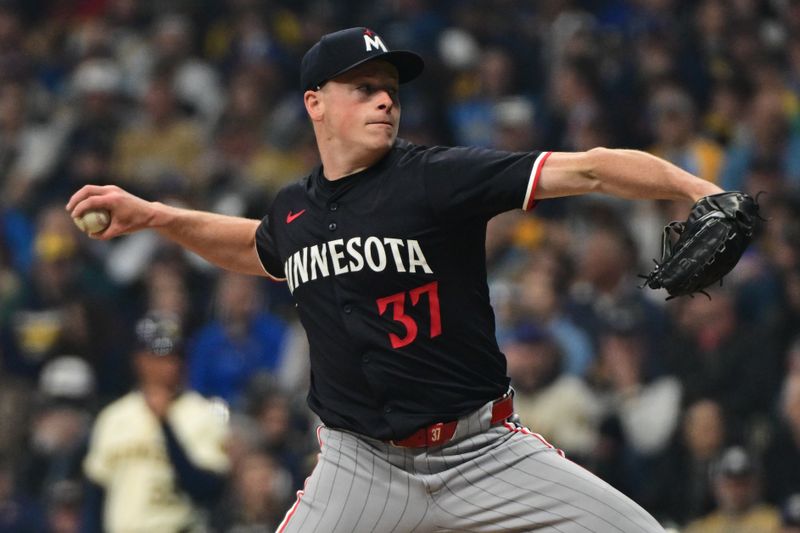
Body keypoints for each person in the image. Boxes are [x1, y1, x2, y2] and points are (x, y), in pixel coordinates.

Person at [68, 27, 725, 532]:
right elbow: (257, 247)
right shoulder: (294, 210)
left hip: (481, 449)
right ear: (315, 103)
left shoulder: (437, 177)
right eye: (363, 86)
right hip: (362, 465)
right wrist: (156, 215)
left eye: (390, 87)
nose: (385, 97)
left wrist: (697, 188)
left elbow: (588, 169)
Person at [82, 311, 230, 533]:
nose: (167, 365)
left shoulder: (202, 414)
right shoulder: (114, 416)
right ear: (139, 360)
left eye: (172, 356)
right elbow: (96, 495)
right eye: (157, 356)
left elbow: (205, 490)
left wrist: (165, 424)